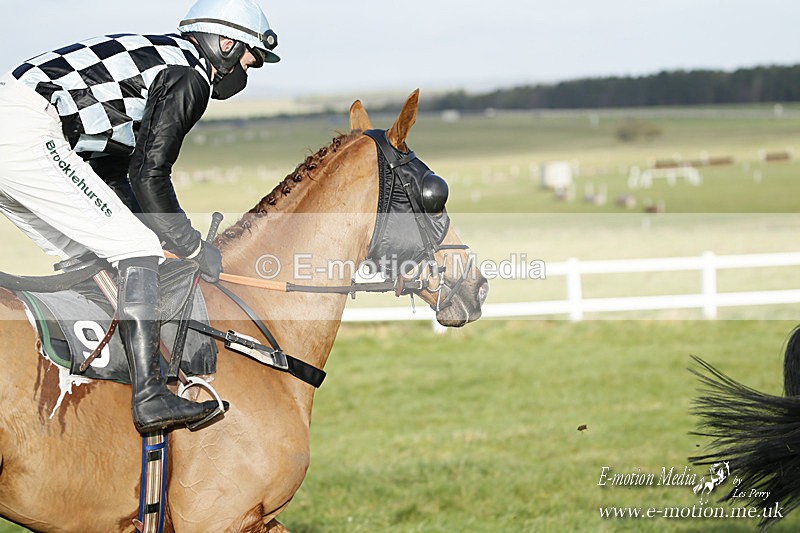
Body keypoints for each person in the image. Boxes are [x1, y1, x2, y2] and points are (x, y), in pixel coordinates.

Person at [0, 0, 280, 434]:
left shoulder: (164, 57)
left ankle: (94, 382)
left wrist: (161, 231)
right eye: (250, 56)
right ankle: (150, 397)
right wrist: (191, 246)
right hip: (25, 131)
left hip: (19, 126)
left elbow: (114, 171)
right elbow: (150, 175)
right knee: (136, 248)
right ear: (225, 43)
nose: (249, 67)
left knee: (98, 254)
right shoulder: (190, 75)